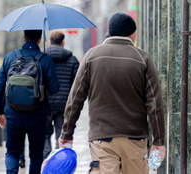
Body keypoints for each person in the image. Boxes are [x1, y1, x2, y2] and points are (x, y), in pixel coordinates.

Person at [59, 12, 166, 174]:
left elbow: (75, 99)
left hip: (102, 138)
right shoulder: (143, 58)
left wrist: (67, 132)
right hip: (135, 138)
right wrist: (158, 141)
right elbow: (154, 104)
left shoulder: (91, 56)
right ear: (132, 33)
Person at [0, 30, 59, 174]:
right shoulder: (44, 59)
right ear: (40, 40)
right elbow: (54, 88)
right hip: (37, 115)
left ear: (24, 38)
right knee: (36, 156)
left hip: (12, 114)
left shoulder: (10, 57)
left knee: (12, 153)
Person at [42, 30, 79, 159]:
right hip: (64, 105)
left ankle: (46, 162)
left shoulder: (41, 59)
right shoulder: (72, 60)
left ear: (49, 42)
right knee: (61, 136)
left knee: (45, 135)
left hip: (45, 104)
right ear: (63, 42)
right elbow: (77, 84)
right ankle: (59, 163)